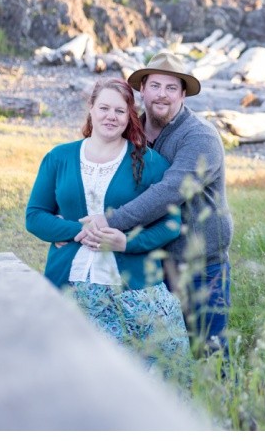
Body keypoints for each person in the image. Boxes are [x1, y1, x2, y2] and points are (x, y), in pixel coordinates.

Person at [25, 76, 191, 375]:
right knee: (71, 376)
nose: (110, 116)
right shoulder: (58, 157)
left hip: (131, 290)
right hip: (69, 284)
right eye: (103, 108)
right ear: (91, 109)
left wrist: (126, 243)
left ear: (130, 116)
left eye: (119, 111)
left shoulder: (149, 163)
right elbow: (35, 216)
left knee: (142, 378)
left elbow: (170, 225)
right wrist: (75, 231)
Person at [77, 50, 233, 357]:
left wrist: (107, 221)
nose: (162, 95)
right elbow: (95, 173)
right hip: (147, 260)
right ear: (142, 89)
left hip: (200, 265)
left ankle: (220, 403)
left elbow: (170, 191)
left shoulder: (200, 137)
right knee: (157, 353)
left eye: (171, 88)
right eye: (156, 86)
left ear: (183, 94)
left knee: (210, 354)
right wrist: (69, 227)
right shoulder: (128, 131)